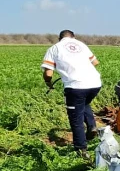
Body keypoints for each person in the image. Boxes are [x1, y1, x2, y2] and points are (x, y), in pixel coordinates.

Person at [41, 29, 102, 159]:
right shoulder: (82, 45)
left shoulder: (54, 48)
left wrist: (48, 82)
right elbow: (95, 62)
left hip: (75, 87)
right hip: (95, 84)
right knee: (85, 103)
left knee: (76, 119)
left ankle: (81, 150)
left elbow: (48, 73)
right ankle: (92, 126)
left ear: (60, 38)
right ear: (73, 37)